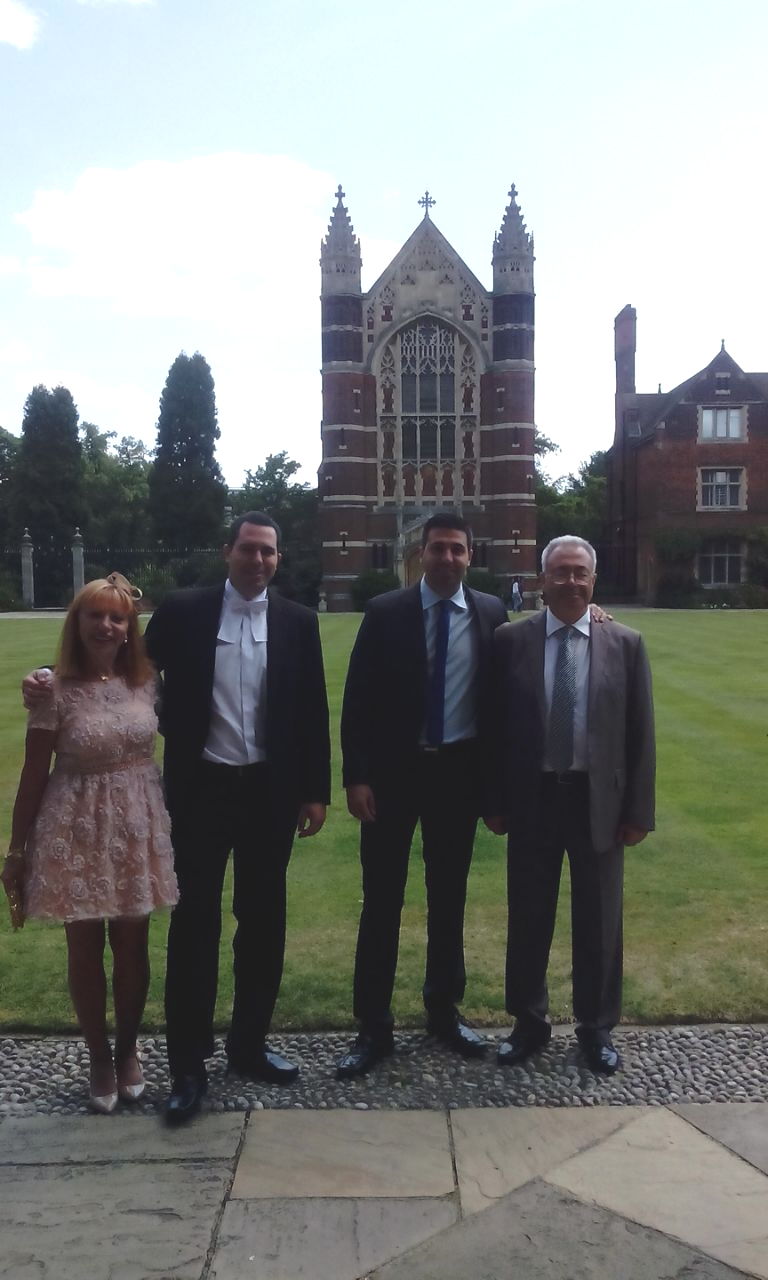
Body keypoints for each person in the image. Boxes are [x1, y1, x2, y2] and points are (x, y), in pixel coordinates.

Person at [24, 511, 331, 1125]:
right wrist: (49, 678)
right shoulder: (187, 611)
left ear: (278, 559)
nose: (259, 561)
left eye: (269, 552)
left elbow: (311, 708)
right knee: (195, 929)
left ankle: (249, 1045)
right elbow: (115, 663)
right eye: (249, 549)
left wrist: (314, 790)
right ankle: (188, 1066)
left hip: (270, 791)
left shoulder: (298, 622)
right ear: (228, 552)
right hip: (200, 791)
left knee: (264, 921)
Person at [335, 514, 508, 1079]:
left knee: (448, 898)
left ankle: (443, 1010)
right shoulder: (387, 612)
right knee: (381, 901)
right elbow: (357, 698)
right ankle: (373, 1025)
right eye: (438, 548)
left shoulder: (490, 613)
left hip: (456, 775)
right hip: (392, 775)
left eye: (457, 549)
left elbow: (505, 701)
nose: (448, 558)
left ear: (469, 554)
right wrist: (357, 777)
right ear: (422, 553)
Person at [3, 574, 178, 1113]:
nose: (105, 626)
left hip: (136, 822)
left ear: (130, 629)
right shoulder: (53, 689)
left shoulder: (148, 682)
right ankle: (98, 1057)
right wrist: (17, 850)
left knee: (132, 945)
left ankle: (128, 1050)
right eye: (94, 616)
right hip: (74, 824)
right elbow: (34, 773)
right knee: (83, 947)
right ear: (76, 623)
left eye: (117, 617)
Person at [485, 535, 655, 1075]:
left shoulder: (625, 643)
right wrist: (493, 800)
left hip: (597, 800)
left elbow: (640, 735)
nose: (571, 581)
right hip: (533, 796)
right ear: (542, 579)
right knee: (529, 914)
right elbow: (495, 731)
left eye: (580, 572)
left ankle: (597, 1027)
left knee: (599, 918)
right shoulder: (511, 640)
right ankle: (528, 1022)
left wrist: (637, 812)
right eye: (560, 571)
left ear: (593, 580)